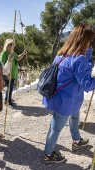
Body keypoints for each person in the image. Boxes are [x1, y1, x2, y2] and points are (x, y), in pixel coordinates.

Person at [42, 25, 95, 163]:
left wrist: (89, 53)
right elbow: (87, 84)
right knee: (55, 128)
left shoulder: (62, 54)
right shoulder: (79, 59)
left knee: (75, 117)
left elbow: (84, 64)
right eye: (91, 40)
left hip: (64, 97)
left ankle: (76, 140)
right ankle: (48, 154)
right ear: (85, 40)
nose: (91, 43)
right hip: (66, 100)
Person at [0, 38, 27, 107]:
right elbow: (2, 64)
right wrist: (7, 74)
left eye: (13, 44)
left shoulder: (13, 52)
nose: (13, 46)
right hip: (8, 74)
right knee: (9, 88)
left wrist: (23, 54)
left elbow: (17, 58)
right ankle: (7, 102)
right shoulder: (4, 53)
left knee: (11, 88)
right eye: (11, 44)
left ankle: (8, 99)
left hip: (13, 73)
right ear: (7, 45)